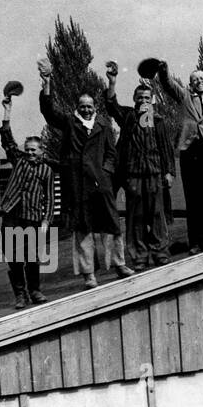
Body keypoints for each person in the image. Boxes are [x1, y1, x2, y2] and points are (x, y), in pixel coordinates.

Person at [38, 66, 126, 289]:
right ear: (77, 108)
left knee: (111, 225)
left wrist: (105, 173)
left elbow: (111, 152)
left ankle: (119, 264)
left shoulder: (104, 123)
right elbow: (49, 112)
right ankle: (89, 274)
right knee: (83, 229)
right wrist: (47, 82)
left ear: (94, 107)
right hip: (78, 185)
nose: (86, 110)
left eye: (89, 106)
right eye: (82, 107)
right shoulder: (69, 122)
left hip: (101, 183)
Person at [154, 61, 203, 253]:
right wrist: (164, 72)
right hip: (190, 154)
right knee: (194, 199)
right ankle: (198, 242)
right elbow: (169, 85)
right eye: (195, 79)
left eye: (202, 78)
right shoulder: (185, 97)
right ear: (190, 84)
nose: (199, 81)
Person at [104, 67, 174, 269]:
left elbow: (165, 149)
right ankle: (140, 257)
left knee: (157, 216)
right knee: (136, 218)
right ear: (135, 99)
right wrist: (112, 82)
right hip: (133, 175)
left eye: (147, 97)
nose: (144, 101)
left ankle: (160, 253)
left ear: (151, 100)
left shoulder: (158, 120)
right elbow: (111, 105)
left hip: (154, 174)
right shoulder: (127, 117)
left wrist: (168, 172)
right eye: (140, 97)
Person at [0, 89, 53, 309]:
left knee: (32, 257)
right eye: (27, 149)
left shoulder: (47, 171)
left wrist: (46, 222)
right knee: (14, 258)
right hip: (12, 216)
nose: (30, 153)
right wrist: (7, 112)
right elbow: (7, 140)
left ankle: (35, 291)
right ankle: (20, 295)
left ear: (41, 151)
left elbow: (49, 198)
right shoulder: (18, 160)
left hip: (32, 218)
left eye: (34, 150)